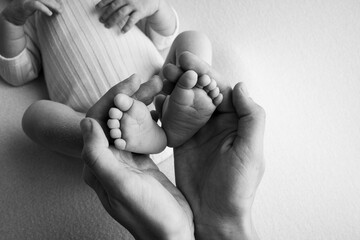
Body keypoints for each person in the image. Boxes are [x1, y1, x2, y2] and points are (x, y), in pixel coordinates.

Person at [0, 0, 216, 163]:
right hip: (94, 116)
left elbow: (164, 35)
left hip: (161, 90)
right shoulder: (30, 16)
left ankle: (186, 97)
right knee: (34, 117)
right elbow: (18, 73)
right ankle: (105, 135)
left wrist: (154, 6)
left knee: (193, 39)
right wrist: (11, 21)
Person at [81, 52, 266, 240]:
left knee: (191, 46)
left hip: (133, 113)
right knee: (189, 61)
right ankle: (168, 121)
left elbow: (165, 34)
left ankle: (125, 134)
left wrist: (156, 20)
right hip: (154, 113)